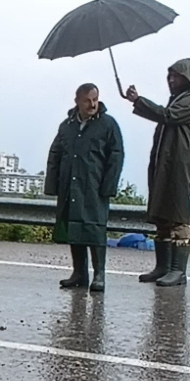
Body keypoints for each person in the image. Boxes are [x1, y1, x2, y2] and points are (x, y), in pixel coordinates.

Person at [125, 59, 190, 287]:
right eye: (169, 77)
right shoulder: (178, 100)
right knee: (162, 213)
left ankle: (178, 271)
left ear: (187, 78)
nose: (171, 81)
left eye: (175, 76)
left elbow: (167, 116)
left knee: (178, 214)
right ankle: (162, 267)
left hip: (180, 164)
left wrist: (138, 101)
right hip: (163, 164)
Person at [45, 83, 125, 293]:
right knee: (75, 228)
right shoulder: (67, 126)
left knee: (95, 229)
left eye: (95, 100)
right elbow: (55, 154)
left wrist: (109, 186)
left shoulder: (108, 125)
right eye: (87, 100)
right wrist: (52, 185)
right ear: (77, 101)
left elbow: (116, 156)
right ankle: (79, 273)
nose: (92, 104)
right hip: (70, 185)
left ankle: (99, 275)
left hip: (95, 187)